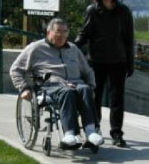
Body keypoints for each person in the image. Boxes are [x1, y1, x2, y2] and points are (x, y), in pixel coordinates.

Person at [10, 18, 104, 147]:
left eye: (65, 31)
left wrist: (92, 86)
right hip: (50, 86)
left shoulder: (73, 49)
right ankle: (69, 134)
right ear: (49, 32)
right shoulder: (35, 48)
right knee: (67, 91)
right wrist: (24, 88)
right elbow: (15, 70)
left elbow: (87, 71)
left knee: (85, 89)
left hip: (76, 83)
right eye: (58, 31)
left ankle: (91, 131)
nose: (62, 35)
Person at [75, 0, 135, 147]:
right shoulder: (92, 11)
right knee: (95, 98)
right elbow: (84, 32)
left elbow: (129, 39)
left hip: (118, 61)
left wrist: (131, 62)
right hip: (97, 61)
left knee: (117, 100)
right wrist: (73, 45)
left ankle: (117, 133)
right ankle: (94, 128)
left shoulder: (123, 11)